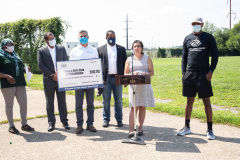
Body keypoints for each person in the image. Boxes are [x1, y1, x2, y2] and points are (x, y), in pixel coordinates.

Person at [177, 17, 219, 140]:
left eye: (198, 24)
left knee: (207, 102)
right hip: (190, 74)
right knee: (189, 101)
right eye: (194, 24)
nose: (196, 26)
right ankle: (187, 127)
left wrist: (210, 71)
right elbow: (184, 57)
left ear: (202, 24)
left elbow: (215, 55)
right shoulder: (187, 38)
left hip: (203, 74)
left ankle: (210, 130)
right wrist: (183, 73)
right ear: (192, 25)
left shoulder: (208, 37)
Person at [0, 38, 34, 134]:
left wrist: (25, 69)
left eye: (12, 44)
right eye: (9, 44)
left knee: (23, 103)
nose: (12, 46)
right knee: (9, 105)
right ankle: (11, 126)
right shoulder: (1, 56)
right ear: (4, 46)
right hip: (7, 84)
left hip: (20, 83)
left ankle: (24, 124)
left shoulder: (15, 54)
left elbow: (18, 66)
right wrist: (6, 76)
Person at [38, 32, 70, 132]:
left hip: (61, 80)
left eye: (53, 38)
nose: (52, 40)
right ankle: (51, 123)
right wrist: (52, 75)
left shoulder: (61, 48)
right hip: (48, 81)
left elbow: (66, 62)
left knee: (62, 102)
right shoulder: (41, 51)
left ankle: (65, 122)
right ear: (45, 40)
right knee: (49, 102)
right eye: (50, 39)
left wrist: (59, 74)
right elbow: (41, 64)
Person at [124, 40, 155, 137]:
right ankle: (130, 130)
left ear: (142, 48)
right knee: (134, 108)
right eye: (134, 46)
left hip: (144, 86)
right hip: (134, 86)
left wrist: (146, 74)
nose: (136, 48)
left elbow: (152, 72)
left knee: (142, 107)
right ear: (132, 48)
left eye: (138, 46)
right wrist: (132, 74)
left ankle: (140, 128)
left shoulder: (147, 58)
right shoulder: (129, 59)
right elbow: (125, 74)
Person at [69, 30, 98, 134]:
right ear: (78, 37)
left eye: (85, 36)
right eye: (81, 36)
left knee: (90, 103)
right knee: (78, 104)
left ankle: (90, 124)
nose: (83, 37)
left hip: (90, 81)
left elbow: (96, 65)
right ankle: (79, 125)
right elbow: (71, 66)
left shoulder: (94, 50)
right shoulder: (74, 51)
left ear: (88, 37)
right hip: (78, 82)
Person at [98, 30, 127, 127]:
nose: (112, 38)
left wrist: (125, 78)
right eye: (110, 36)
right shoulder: (100, 49)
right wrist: (99, 79)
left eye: (113, 36)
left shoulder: (121, 49)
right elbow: (97, 65)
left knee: (118, 100)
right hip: (106, 79)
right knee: (106, 100)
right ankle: (106, 120)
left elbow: (125, 65)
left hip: (118, 78)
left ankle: (119, 119)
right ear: (106, 38)